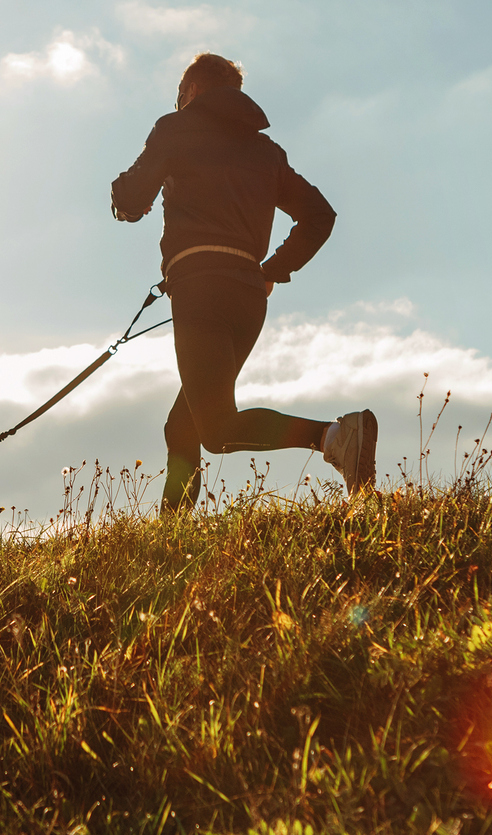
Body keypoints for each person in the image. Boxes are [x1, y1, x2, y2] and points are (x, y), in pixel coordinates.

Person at [111, 52, 377, 509]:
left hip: (200, 288)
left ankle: (334, 437)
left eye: (180, 97)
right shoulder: (266, 152)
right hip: (248, 295)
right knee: (184, 424)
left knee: (215, 429)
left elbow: (132, 198)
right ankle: (170, 538)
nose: (178, 105)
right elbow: (320, 215)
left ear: (193, 90)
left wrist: (122, 197)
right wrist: (272, 270)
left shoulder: (175, 129)